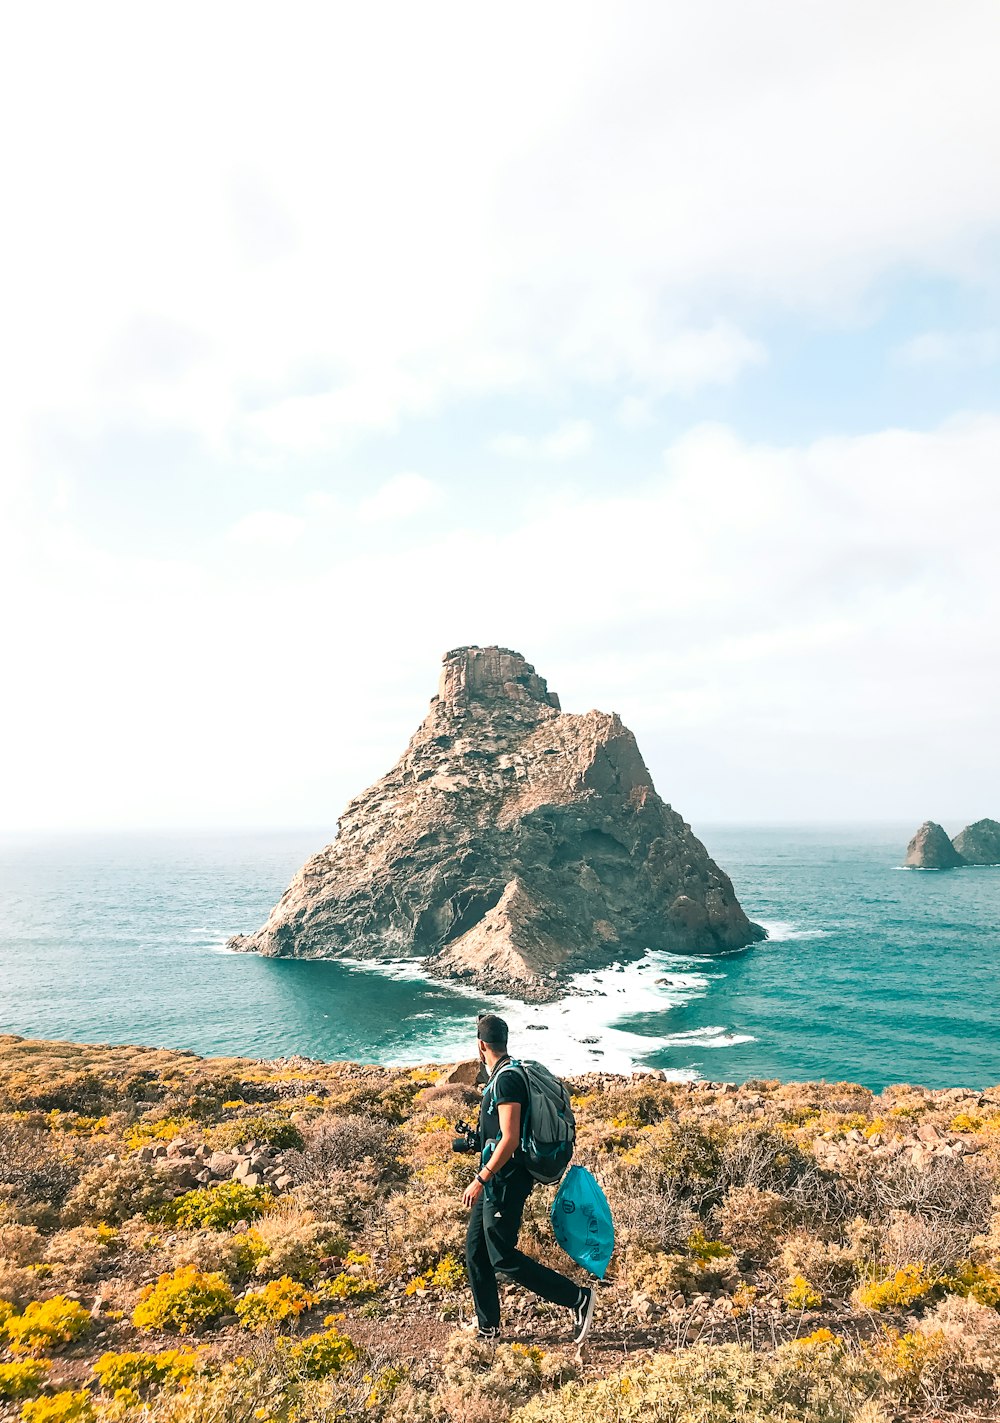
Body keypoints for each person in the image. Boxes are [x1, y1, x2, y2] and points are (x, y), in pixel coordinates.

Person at [461, 1012, 595, 1343]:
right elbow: (500, 1134)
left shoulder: (506, 1080)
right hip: (496, 1178)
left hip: (506, 1180)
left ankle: (578, 1298)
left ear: (481, 1046)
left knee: (502, 1255)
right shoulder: (507, 1074)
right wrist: (476, 1143)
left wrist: (481, 1178)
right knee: (475, 1250)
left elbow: (509, 1139)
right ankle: (488, 1328)